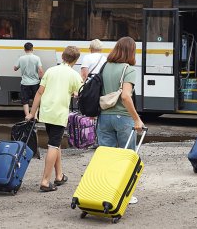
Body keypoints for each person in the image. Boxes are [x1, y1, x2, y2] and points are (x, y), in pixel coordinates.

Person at [25, 46, 83, 192]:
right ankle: (45, 181)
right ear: (75, 60)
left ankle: (59, 176)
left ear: (62, 56)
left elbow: (39, 93)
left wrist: (32, 113)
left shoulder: (50, 70)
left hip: (46, 112)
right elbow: (80, 94)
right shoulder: (74, 75)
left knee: (55, 144)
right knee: (53, 145)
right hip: (59, 114)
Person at [97, 36, 144, 204]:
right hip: (123, 119)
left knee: (106, 158)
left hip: (104, 117)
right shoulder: (128, 69)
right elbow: (125, 96)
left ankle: (105, 192)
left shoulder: (105, 67)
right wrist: (137, 119)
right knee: (126, 158)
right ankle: (125, 195)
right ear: (131, 51)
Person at [14, 42, 44, 117]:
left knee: (25, 101)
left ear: (24, 49)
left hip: (24, 83)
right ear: (32, 49)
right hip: (35, 83)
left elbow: (15, 68)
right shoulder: (37, 58)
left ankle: (27, 116)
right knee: (36, 100)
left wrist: (19, 66)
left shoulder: (21, 58)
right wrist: (42, 79)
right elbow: (40, 70)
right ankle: (35, 116)